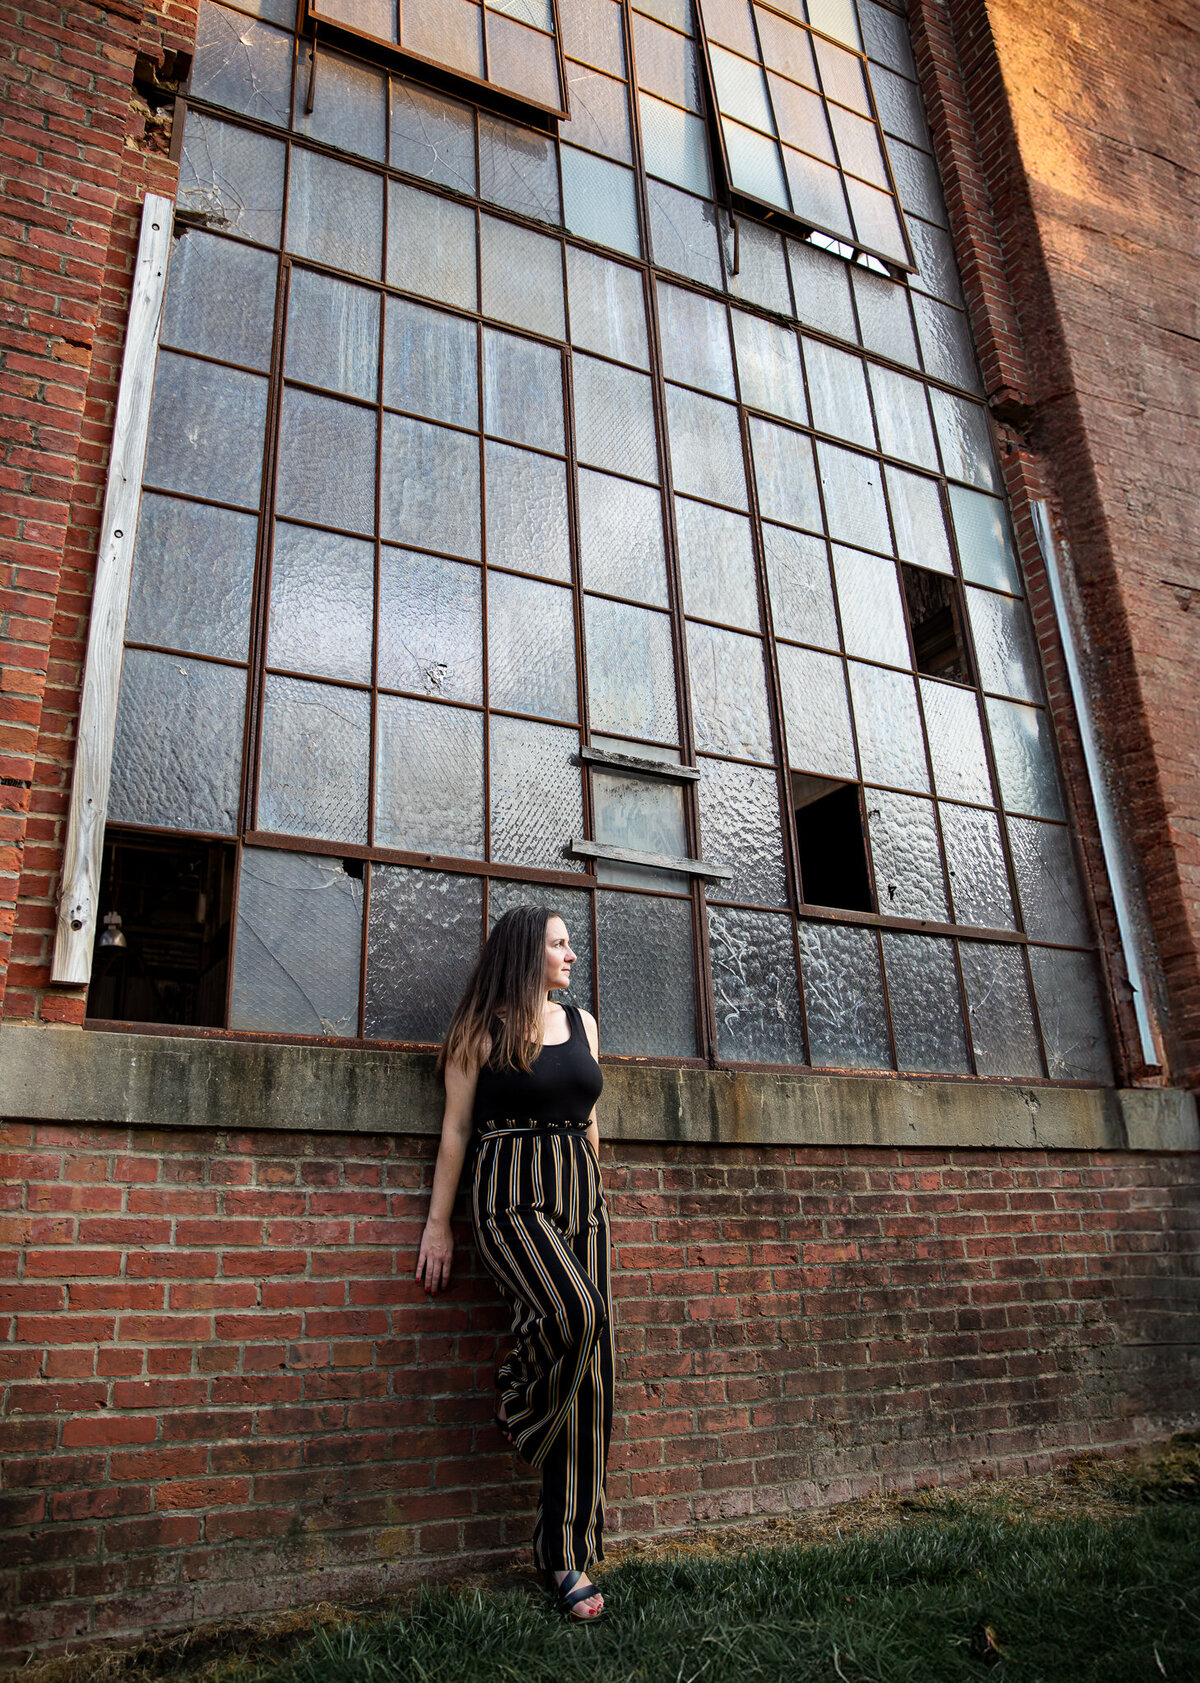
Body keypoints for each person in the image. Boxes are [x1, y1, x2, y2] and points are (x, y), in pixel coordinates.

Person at [415, 906, 612, 1625]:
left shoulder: (583, 1024)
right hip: (510, 1196)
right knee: (574, 1313)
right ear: (528, 952)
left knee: (590, 1378)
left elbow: (590, 1121)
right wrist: (439, 1225)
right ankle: (518, 1396)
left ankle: (564, 1556)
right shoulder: (479, 1031)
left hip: (580, 1200)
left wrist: (596, 1195)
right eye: (559, 943)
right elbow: (456, 1131)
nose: (570, 954)